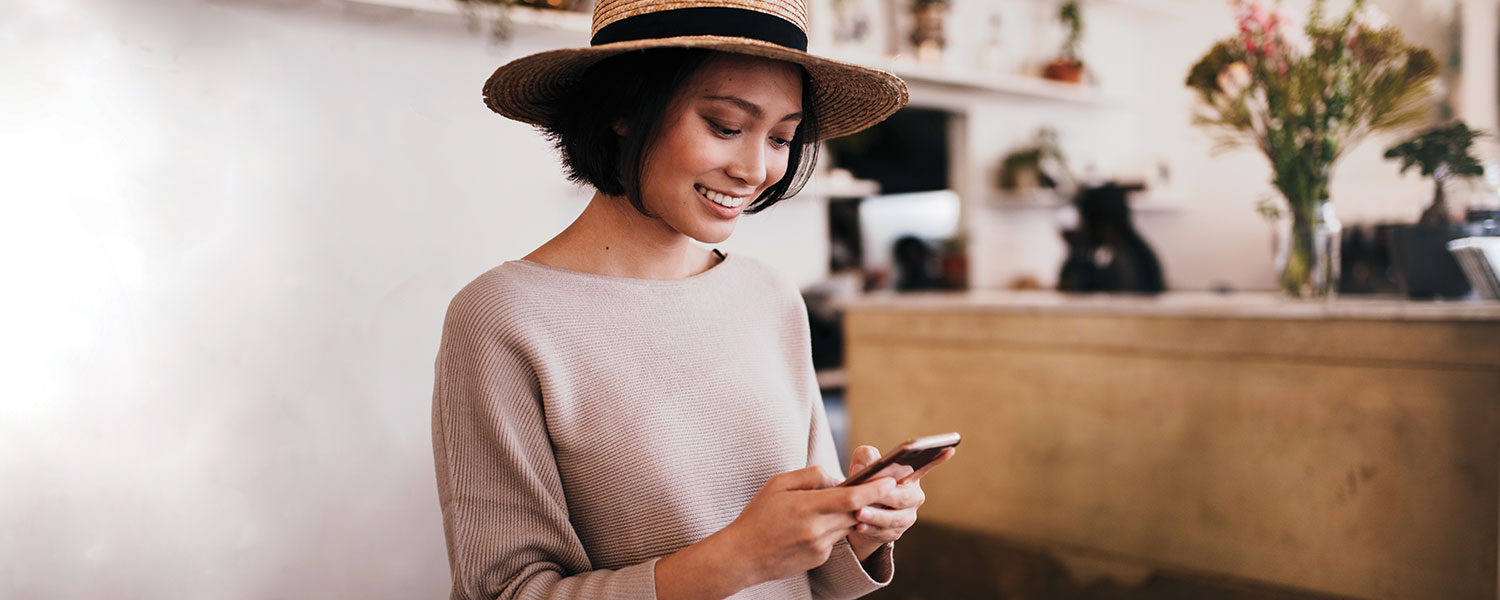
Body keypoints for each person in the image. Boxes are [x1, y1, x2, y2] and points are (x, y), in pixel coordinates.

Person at [430, 1, 956, 599]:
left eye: (783, 137)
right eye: (727, 126)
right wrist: (735, 558)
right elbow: (503, 592)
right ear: (624, 109)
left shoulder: (769, 296)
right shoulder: (503, 318)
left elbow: (806, 575)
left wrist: (856, 530)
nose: (757, 170)